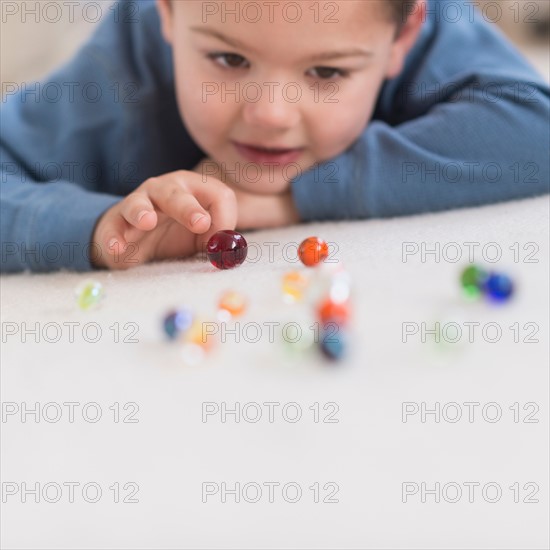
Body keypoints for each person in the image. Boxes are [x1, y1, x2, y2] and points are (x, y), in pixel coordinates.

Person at [1, 0, 548, 273]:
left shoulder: (417, 22)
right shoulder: (123, 67)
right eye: (229, 58)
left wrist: (287, 199)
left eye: (327, 73)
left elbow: (535, 128)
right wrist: (97, 229)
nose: (269, 115)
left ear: (404, 36)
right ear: (166, 10)